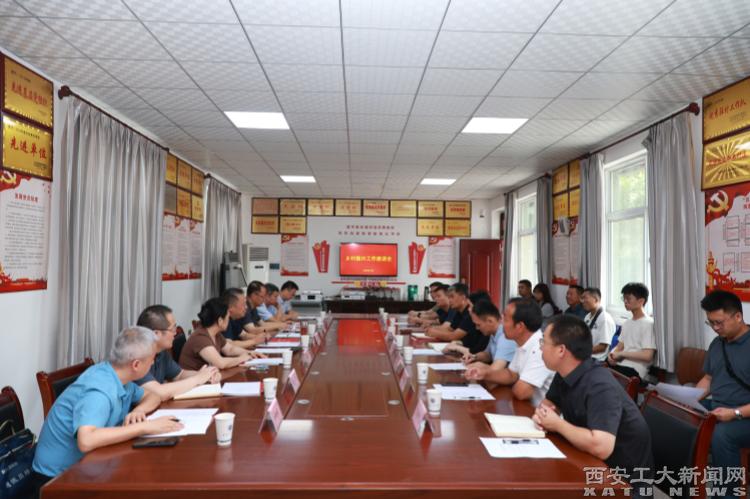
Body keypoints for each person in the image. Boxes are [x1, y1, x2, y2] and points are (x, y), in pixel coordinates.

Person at [31, 327, 183, 488]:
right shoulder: (100, 390)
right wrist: (144, 427)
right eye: (152, 358)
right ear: (136, 364)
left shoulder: (118, 376)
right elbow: (86, 440)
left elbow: (152, 396)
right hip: (57, 479)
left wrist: (139, 410)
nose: (153, 362)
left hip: (91, 463)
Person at [534, 315, 654, 484]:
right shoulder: (565, 372)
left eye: (543, 342)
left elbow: (602, 447)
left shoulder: (599, 385)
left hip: (622, 482)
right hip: (590, 462)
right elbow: (547, 407)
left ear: (561, 350)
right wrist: (542, 417)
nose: (540, 348)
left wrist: (557, 424)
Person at [697, 290, 750, 495]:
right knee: (679, 414)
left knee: (722, 435)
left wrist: (734, 413)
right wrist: (687, 400)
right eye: (711, 323)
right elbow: (708, 379)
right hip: (719, 407)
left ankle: (727, 494)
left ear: (738, 316)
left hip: (744, 414)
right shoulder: (717, 343)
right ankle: (687, 485)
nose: (715, 328)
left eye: (719, 323)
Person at [465, 298, 553, 405]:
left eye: (505, 320)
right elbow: (511, 374)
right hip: (526, 407)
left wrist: (514, 382)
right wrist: (484, 374)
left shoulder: (540, 348)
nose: (501, 323)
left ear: (519, 326)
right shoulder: (522, 343)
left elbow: (522, 392)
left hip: (539, 411)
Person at [134, 305, 221, 400]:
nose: (175, 333)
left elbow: (179, 375)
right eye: (172, 329)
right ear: (156, 334)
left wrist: (208, 374)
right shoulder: (136, 356)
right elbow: (158, 392)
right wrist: (197, 379)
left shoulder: (161, 352)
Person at [179, 298, 256, 370]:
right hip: (194, 378)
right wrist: (241, 359)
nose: (229, 320)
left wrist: (249, 353)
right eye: (228, 317)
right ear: (220, 321)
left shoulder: (215, 333)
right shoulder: (200, 337)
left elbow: (230, 349)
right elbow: (220, 363)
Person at [448, 299, 517, 370]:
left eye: (478, 325)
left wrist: (481, 366)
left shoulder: (505, 337)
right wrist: (474, 357)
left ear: (490, 321)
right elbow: (488, 355)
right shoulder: (494, 332)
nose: (477, 328)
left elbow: (496, 369)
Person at [606, 283, 656, 380]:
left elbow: (647, 356)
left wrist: (622, 354)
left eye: (628, 298)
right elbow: (619, 346)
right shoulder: (627, 323)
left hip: (635, 370)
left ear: (641, 301)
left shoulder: (649, 323)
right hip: (621, 365)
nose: (625, 301)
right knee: (597, 369)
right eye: (624, 298)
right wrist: (611, 355)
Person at [426, 283, 489, 353]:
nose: (449, 300)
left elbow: (454, 336)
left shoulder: (470, 314)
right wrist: (459, 343)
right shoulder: (458, 311)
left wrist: (435, 332)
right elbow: (450, 330)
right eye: (448, 297)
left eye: (452, 297)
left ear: (463, 297)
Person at [581, 287, 615, 361]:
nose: (582, 301)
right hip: (586, 355)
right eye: (582, 298)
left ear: (596, 300)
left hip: (596, 359)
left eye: (585, 298)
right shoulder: (587, 316)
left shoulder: (605, 319)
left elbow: (602, 347)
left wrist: (582, 352)